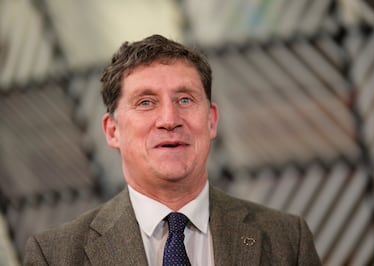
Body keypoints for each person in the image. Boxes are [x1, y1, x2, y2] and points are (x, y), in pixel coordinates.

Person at [23, 34, 321, 265]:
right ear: (112, 131)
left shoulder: (286, 239)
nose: (169, 120)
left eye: (185, 100)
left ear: (211, 120)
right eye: (146, 102)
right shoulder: (55, 255)